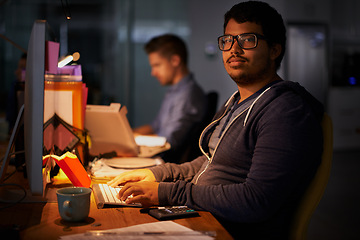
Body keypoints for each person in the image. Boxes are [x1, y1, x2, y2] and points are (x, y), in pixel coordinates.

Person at [108, 1, 324, 239]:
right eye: (228, 40)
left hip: (225, 230)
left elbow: (256, 200)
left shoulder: (284, 111)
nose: (234, 49)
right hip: (201, 215)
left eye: (247, 40)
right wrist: (158, 174)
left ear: (274, 49)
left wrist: (167, 192)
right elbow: (211, 161)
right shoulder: (236, 102)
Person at [134, 34, 207, 163]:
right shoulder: (174, 91)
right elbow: (155, 126)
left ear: (175, 60)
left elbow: (167, 141)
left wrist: (133, 138)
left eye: (157, 65)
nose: (153, 72)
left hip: (166, 163)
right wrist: (128, 134)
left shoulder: (187, 95)